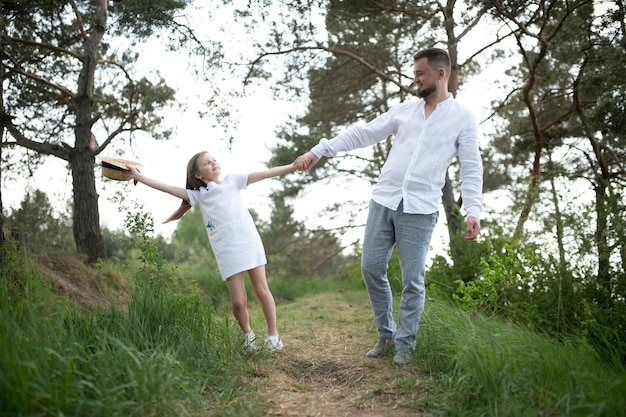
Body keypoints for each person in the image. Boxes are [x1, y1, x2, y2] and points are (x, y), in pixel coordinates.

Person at [294, 47, 483, 365]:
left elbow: (471, 165)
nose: (415, 79)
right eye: (414, 73)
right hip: (384, 200)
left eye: (420, 73)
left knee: (413, 280)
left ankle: (405, 345)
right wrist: (320, 150)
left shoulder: (463, 118)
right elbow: (362, 133)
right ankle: (386, 334)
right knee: (370, 267)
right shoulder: (404, 111)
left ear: (440, 74)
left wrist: (473, 209)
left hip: (420, 210)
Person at [124, 151, 296, 352]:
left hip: (249, 242)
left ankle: (273, 336)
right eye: (207, 162)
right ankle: (247, 334)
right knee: (239, 302)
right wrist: (138, 177)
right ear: (198, 175)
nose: (213, 163)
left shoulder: (234, 180)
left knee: (261, 290)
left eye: (214, 160)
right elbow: (167, 188)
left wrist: (293, 166)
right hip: (227, 250)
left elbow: (266, 174)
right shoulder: (200, 196)